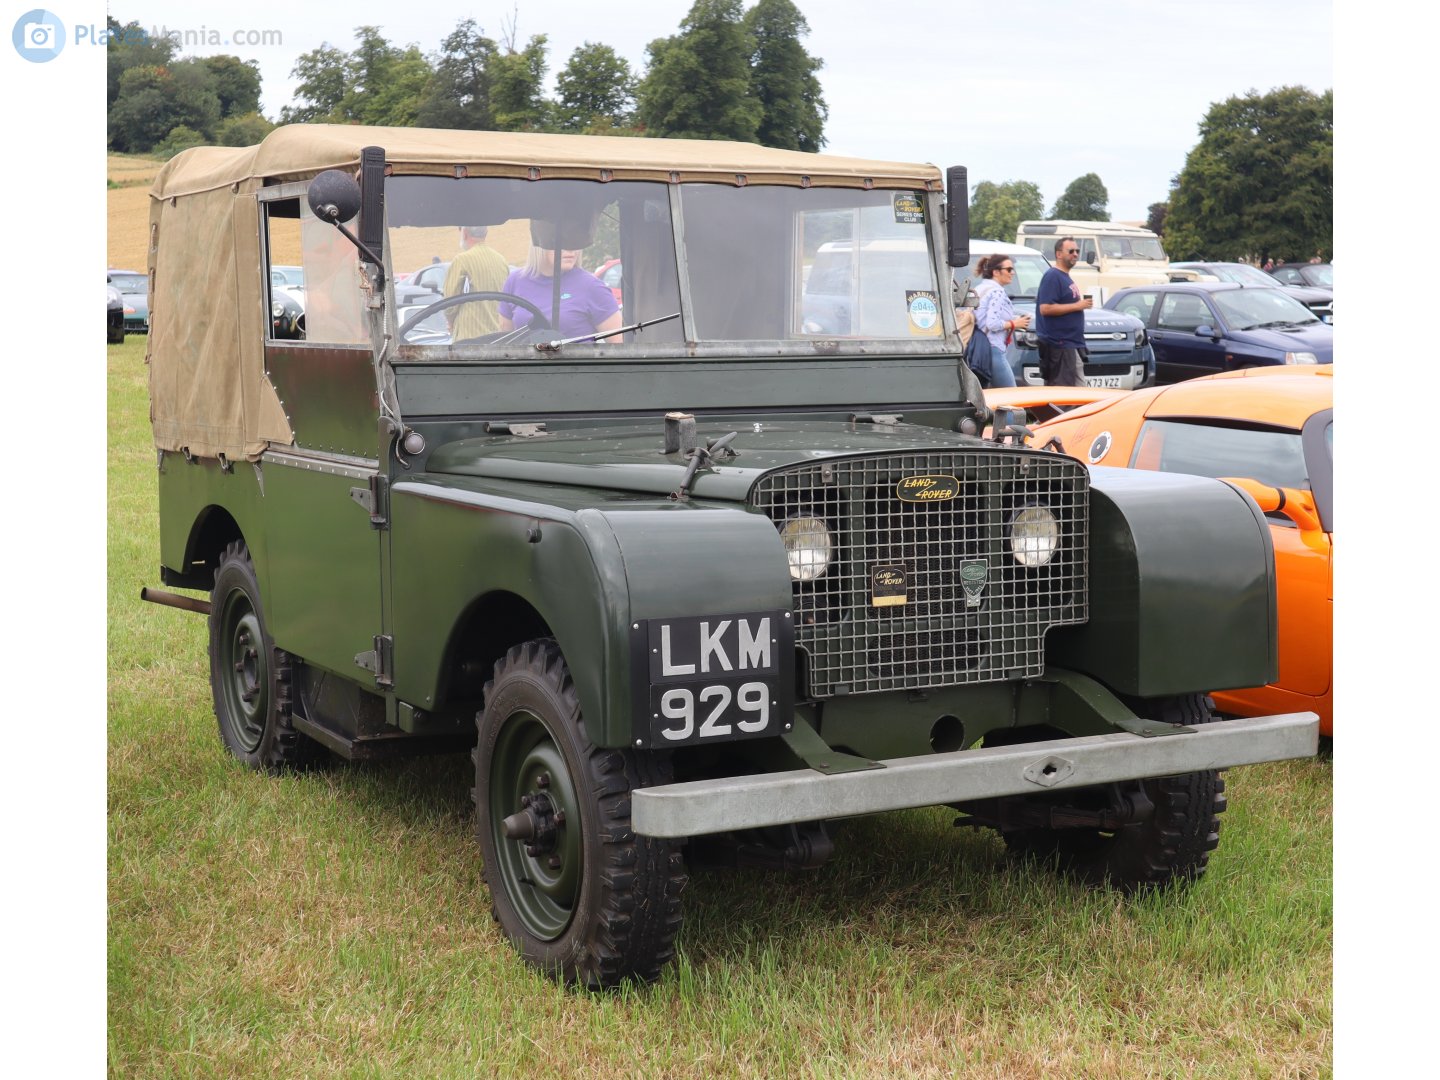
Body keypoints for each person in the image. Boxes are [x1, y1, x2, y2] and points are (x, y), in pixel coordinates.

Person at [499, 247, 623, 342]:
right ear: (539, 242)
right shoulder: (514, 281)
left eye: (575, 242)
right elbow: (506, 342)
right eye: (561, 241)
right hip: (524, 373)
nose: (571, 249)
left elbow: (619, 347)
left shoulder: (592, 287)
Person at [1034, 236, 1092, 387]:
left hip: (1071, 344)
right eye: (1071, 251)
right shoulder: (1053, 276)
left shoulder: (1065, 277)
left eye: (1077, 251)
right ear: (1058, 254)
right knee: (1063, 393)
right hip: (1059, 344)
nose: (1075, 254)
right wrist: (1077, 306)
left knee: (1078, 391)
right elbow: (1045, 308)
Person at [443, 226, 510, 341]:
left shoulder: (461, 260)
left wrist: (450, 322)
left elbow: (450, 303)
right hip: (497, 340)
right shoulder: (501, 261)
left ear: (464, 233)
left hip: (469, 340)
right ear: (486, 233)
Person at [973, 257, 1027, 388]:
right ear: (996, 272)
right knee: (1011, 398)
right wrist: (1015, 323)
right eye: (1009, 269)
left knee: (985, 398)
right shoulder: (997, 292)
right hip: (993, 349)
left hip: (978, 350)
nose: (1012, 273)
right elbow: (992, 324)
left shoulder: (980, 289)